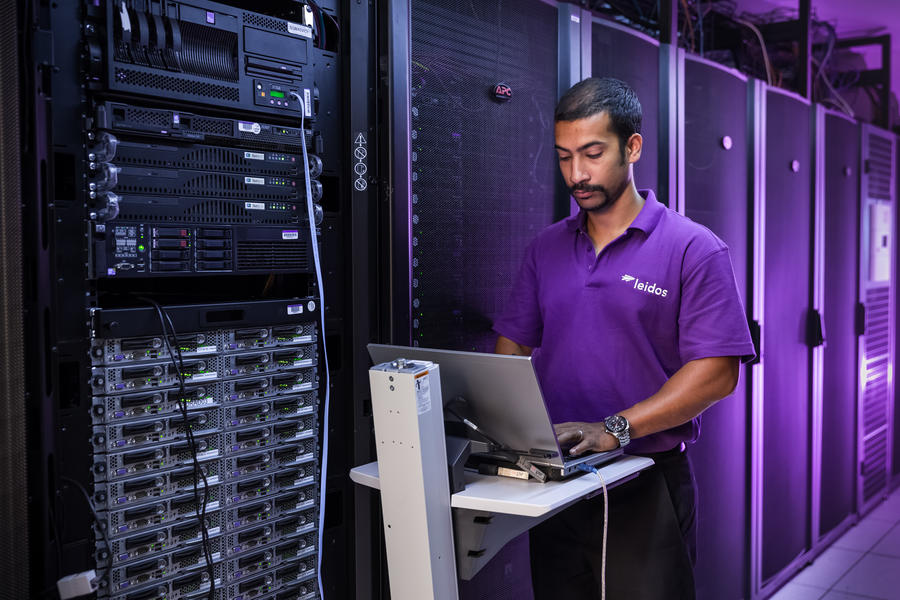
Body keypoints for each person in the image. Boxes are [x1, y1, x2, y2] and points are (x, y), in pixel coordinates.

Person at [492, 77, 755, 599]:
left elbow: (718, 373)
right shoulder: (546, 248)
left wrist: (614, 429)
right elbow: (513, 346)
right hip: (560, 480)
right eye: (565, 157)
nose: (577, 174)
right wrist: (512, 426)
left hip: (645, 480)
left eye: (592, 154)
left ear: (632, 147)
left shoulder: (693, 249)